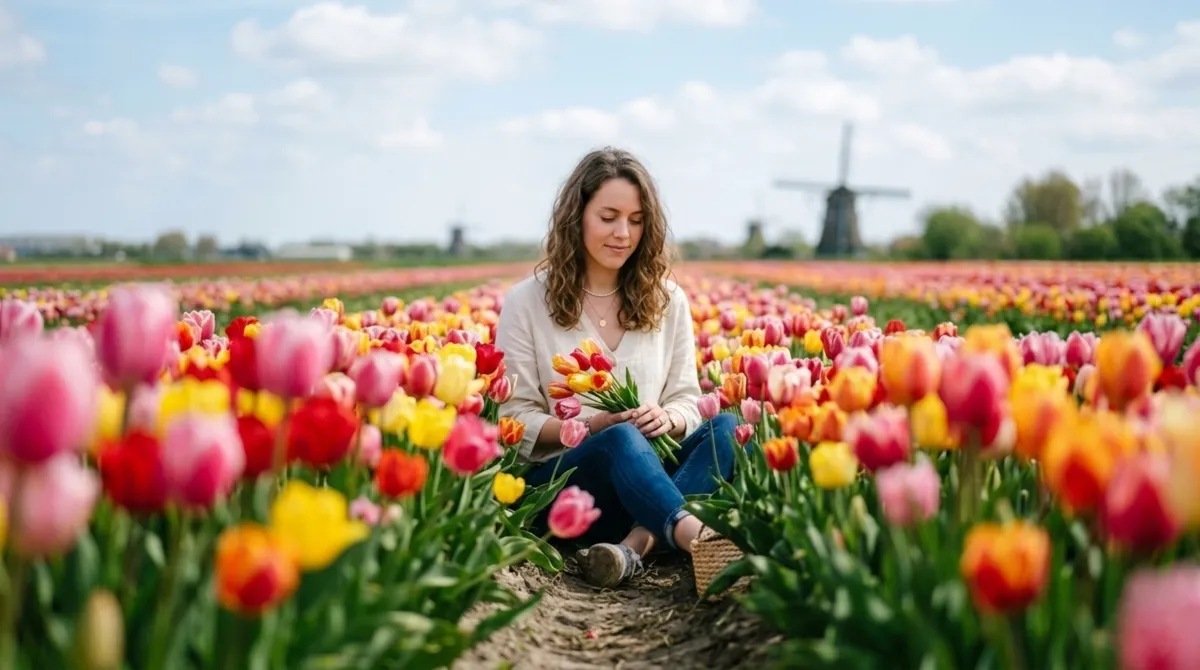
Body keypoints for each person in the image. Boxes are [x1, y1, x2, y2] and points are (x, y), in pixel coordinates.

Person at [494, 147, 740, 589]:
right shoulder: (527, 302)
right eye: (608, 216)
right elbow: (512, 418)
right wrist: (590, 427)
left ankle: (633, 547)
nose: (623, 233)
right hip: (569, 489)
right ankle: (694, 536)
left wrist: (668, 417)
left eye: (637, 219)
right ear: (578, 216)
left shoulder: (667, 300)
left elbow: (687, 398)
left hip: (647, 485)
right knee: (619, 437)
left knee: (727, 428)